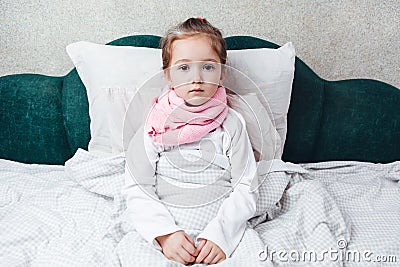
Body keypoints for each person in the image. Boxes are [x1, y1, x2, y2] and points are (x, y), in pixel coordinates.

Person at [123, 17, 259, 266]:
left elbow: (246, 185)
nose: (196, 78)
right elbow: (137, 185)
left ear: (222, 73)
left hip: (217, 228)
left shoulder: (232, 123)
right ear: (168, 76)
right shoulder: (155, 123)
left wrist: (220, 235)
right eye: (184, 68)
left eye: (208, 67)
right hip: (167, 225)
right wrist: (165, 234)